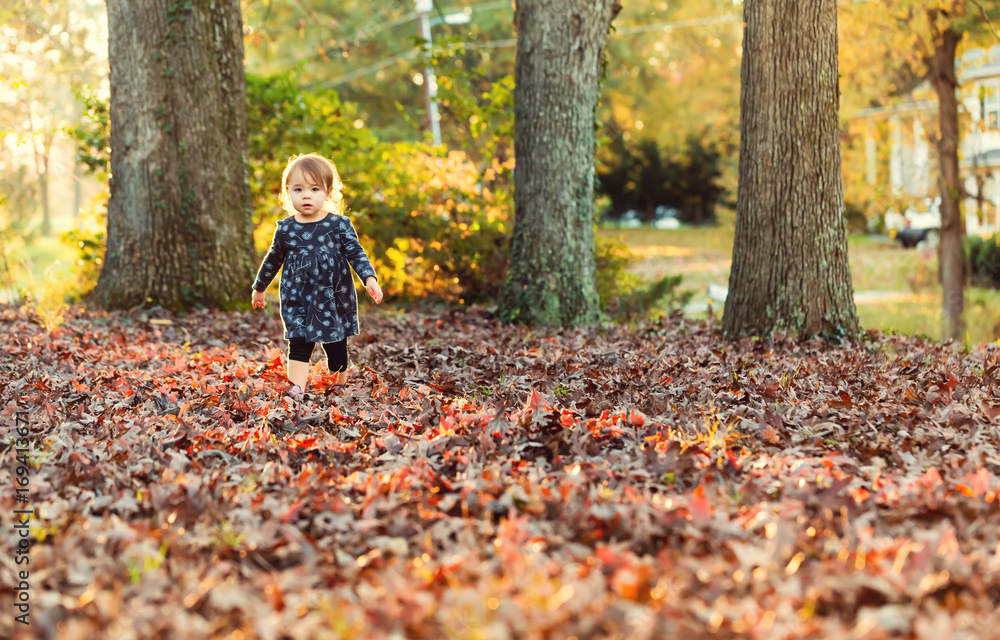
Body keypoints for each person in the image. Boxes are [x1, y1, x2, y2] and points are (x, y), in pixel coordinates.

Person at [251, 153, 383, 400]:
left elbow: (356, 253)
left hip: (333, 297)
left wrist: (369, 278)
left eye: (314, 188)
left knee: (335, 345)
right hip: (297, 297)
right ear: (288, 193)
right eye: (298, 189)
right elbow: (272, 259)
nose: (306, 195)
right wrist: (259, 287)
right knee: (299, 341)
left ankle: (338, 384)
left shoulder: (339, 225)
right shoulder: (286, 229)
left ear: (328, 192)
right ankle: (297, 387)